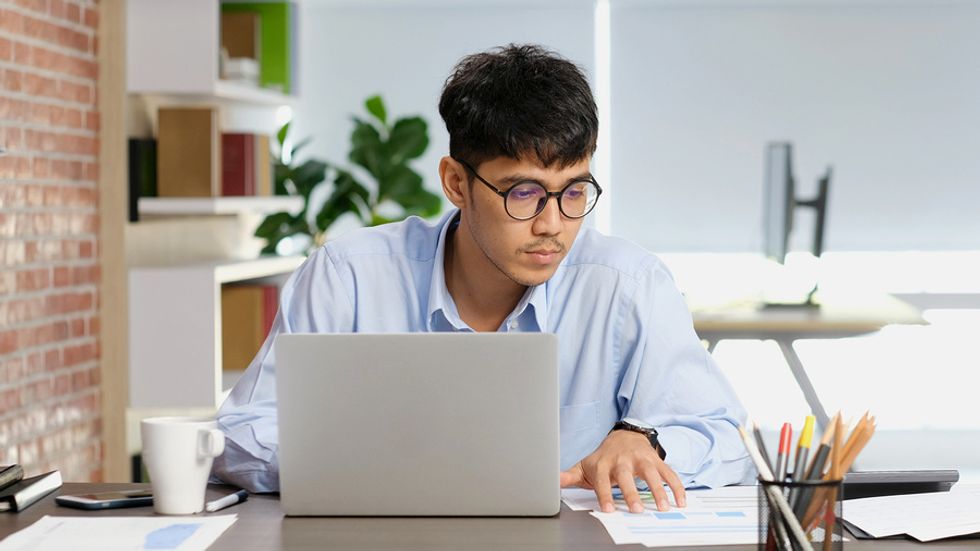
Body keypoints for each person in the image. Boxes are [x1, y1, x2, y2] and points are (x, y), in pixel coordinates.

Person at [213, 43, 754, 514]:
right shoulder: (348, 276)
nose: (552, 225)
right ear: (455, 182)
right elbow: (239, 435)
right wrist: (382, 463)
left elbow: (726, 437)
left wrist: (647, 443)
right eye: (523, 193)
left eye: (573, 192)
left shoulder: (628, 285)